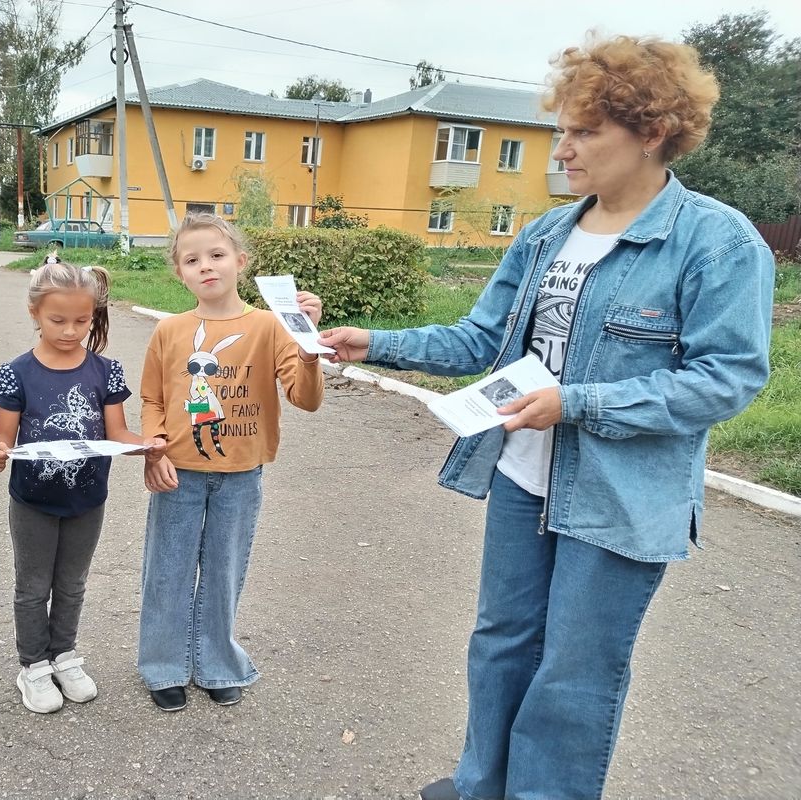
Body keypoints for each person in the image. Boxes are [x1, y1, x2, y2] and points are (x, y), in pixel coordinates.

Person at [320, 34, 775, 800]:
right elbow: (480, 339)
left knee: (574, 672)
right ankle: (481, 787)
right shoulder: (546, 235)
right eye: (561, 130)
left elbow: (726, 380)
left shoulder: (716, 241)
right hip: (522, 480)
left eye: (584, 132)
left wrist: (579, 402)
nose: (561, 149)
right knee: (501, 645)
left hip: (622, 498)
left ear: (653, 132)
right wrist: (374, 342)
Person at [139, 213, 325, 711]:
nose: (206, 266)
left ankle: (218, 663)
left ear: (241, 262)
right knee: (168, 570)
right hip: (177, 471)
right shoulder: (171, 331)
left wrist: (309, 348)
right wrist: (153, 449)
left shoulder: (269, 326)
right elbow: (153, 399)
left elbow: (305, 399)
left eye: (217, 255)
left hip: (241, 474)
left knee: (224, 571)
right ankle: (164, 667)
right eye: (192, 259)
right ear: (179, 272)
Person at [0, 253, 164, 714]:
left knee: (72, 583)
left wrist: (145, 445)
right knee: (33, 585)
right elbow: (3, 440)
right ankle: (33, 666)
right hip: (33, 500)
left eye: (81, 320)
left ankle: (63, 655)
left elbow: (117, 434)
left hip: (87, 498)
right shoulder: (16, 371)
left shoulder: (106, 370)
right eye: (57, 320)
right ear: (34, 313)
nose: (69, 330)